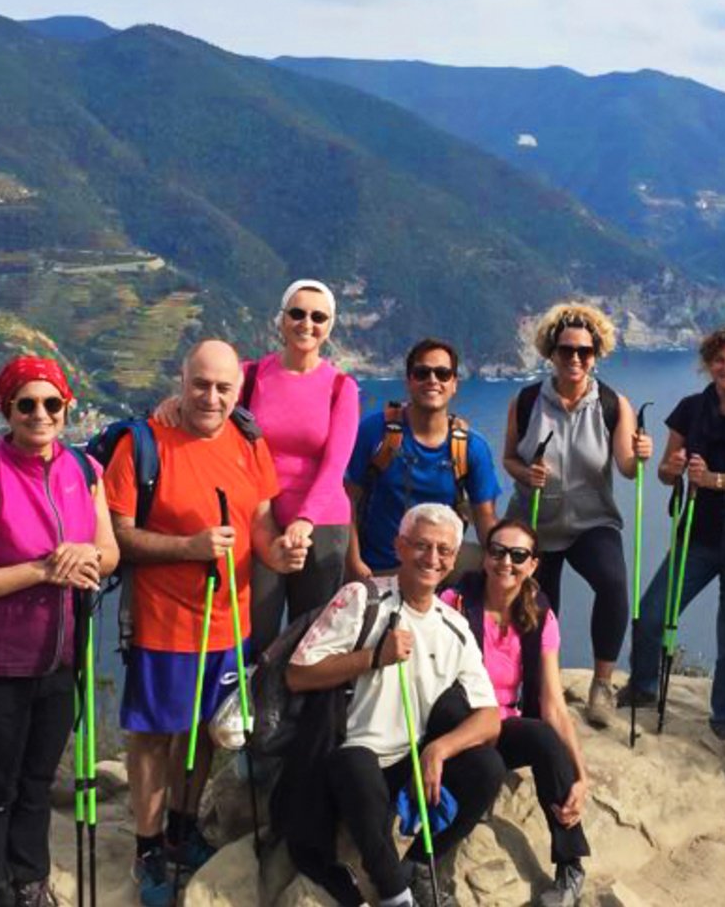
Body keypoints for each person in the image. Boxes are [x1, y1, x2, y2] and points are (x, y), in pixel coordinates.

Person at [103, 339, 307, 906]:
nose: (211, 398)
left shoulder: (249, 441)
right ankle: (148, 848)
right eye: (200, 384)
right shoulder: (143, 444)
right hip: (163, 624)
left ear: (238, 391)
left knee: (203, 734)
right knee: (153, 737)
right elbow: (117, 537)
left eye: (222, 388)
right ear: (182, 379)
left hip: (228, 623)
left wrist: (278, 554)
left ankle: (182, 827)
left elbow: (259, 521)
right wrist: (187, 548)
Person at [0, 356, 121, 907]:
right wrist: (42, 571)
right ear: (8, 410)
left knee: (37, 783)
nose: (40, 414)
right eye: (27, 404)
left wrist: (87, 556)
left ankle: (30, 882)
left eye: (52, 403)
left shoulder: (86, 472)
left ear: (67, 408)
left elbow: (110, 551)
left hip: (62, 658)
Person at [287, 504, 506, 907]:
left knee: (487, 767)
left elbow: (490, 717)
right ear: (400, 546)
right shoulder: (362, 598)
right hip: (347, 757)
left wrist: (439, 750)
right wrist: (373, 657)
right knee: (356, 764)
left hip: (409, 761)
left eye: (444, 550)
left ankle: (420, 862)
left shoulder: (454, 625)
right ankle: (394, 892)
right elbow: (298, 674)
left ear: (454, 558)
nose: (432, 558)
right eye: (421, 545)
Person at [619, 327, 725, 740]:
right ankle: (644, 686)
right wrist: (671, 469)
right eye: (719, 360)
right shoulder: (691, 409)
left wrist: (713, 480)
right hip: (698, 534)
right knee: (651, 613)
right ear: (708, 365)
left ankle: (724, 716)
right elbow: (665, 471)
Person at [503, 301, 652, 729]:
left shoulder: (612, 404)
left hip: (592, 521)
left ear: (595, 355)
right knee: (540, 605)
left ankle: (601, 685)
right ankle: (543, 683)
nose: (575, 358)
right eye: (566, 350)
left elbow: (626, 467)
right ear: (551, 353)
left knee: (613, 583)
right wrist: (526, 473)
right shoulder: (527, 401)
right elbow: (509, 458)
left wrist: (642, 455)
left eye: (584, 351)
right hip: (536, 523)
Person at [442, 520, 592, 907]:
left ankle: (570, 864)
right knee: (485, 763)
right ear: (485, 557)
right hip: (460, 725)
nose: (506, 562)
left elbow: (553, 704)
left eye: (518, 554)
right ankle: (436, 873)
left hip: (504, 725)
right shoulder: (455, 603)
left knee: (543, 736)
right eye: (497, 551)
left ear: (533, 564)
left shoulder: (540, 617)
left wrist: (580, 775)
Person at [240, 279, 362, 645]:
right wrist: (174, 405)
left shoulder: (341, 387)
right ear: (281, 319)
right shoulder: (250, 376)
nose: (306, 324)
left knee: (310, 638)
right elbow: (205, 395)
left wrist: (305, 520)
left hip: (321, 522)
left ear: (329, 326)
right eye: (297, 313)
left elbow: (335, 464)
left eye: (318, 317)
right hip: (259, 517)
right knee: (255, 630)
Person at [346, 337, 501, 579]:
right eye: (422, 373)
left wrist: (508, 565)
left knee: (481, 562)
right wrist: (354, 562)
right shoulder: (374, 432)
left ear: (454, 384)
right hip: (378, 567)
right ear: (409, 381)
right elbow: (347, 501)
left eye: (443, 374)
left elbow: (485, 519)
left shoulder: (471, 447)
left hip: (439, 568)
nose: (432, 380)